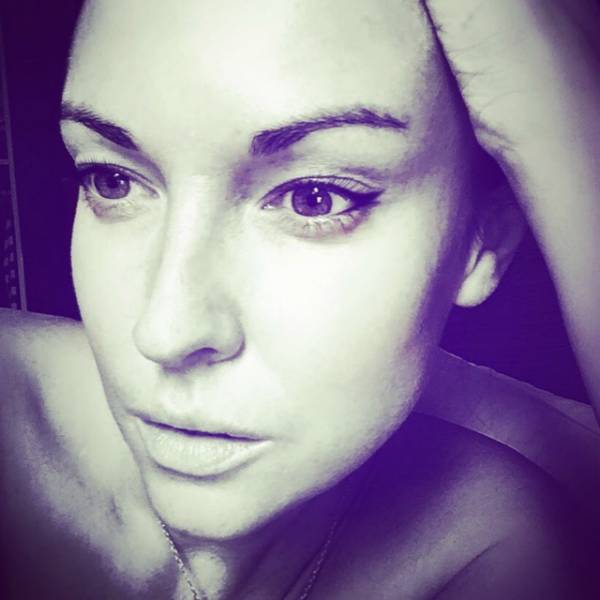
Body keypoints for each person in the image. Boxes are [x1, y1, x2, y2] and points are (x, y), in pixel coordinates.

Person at [1, 0, 599, 598]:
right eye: (112, 180)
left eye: (313, 198)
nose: (166, 332)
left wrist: (569, 138)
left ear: (483, 238)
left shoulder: (500, 549)